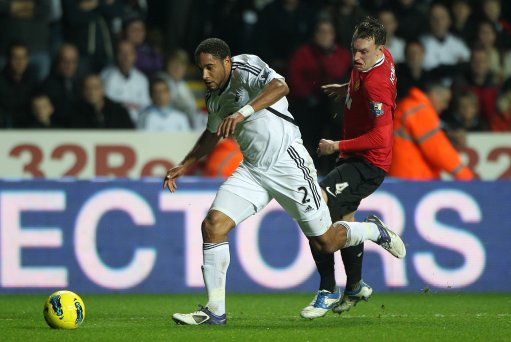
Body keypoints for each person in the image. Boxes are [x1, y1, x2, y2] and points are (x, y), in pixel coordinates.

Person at [165, 37, 406, 325]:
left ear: (226, 61)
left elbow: (281, 86)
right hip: (253, 171)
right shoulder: (214, 96)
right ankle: (215, 310)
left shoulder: (247, 68)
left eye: (209, 68)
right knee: (213, 225)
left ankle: (372, 230)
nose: (204, 75)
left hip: (288, 163)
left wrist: (243, 112)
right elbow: (212, 133)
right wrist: (185, 163)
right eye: (201, 69)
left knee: (327, 242)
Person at [300, 16, 398, 320]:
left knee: (315, 207)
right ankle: (354, 286)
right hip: (357, 159)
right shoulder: (378, 61)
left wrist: (336, 146)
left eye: (363, 52)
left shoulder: (376, 86)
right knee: (343, 220)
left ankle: (328, 288)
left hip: (367, 163)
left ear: (378, 47)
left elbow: (382, 135)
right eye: (354, 49)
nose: (356, 57)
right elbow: (365, 78)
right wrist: (348, 88)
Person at [389, 82, 473, 180]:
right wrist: (466, 176)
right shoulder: (419, 110)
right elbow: (437, 149)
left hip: (404, 175)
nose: (445, 106)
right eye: (444, 101)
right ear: (434, 94)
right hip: (413, 179)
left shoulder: (407, 106)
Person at [100, 40, 150, 124]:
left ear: (135, 56)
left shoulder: (142, 79)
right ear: (116, 55)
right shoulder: (105, 76)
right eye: (122, 53)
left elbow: (145, 106)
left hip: (137, 125)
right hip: (114, 125)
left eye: (129, 53)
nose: (126, 56)